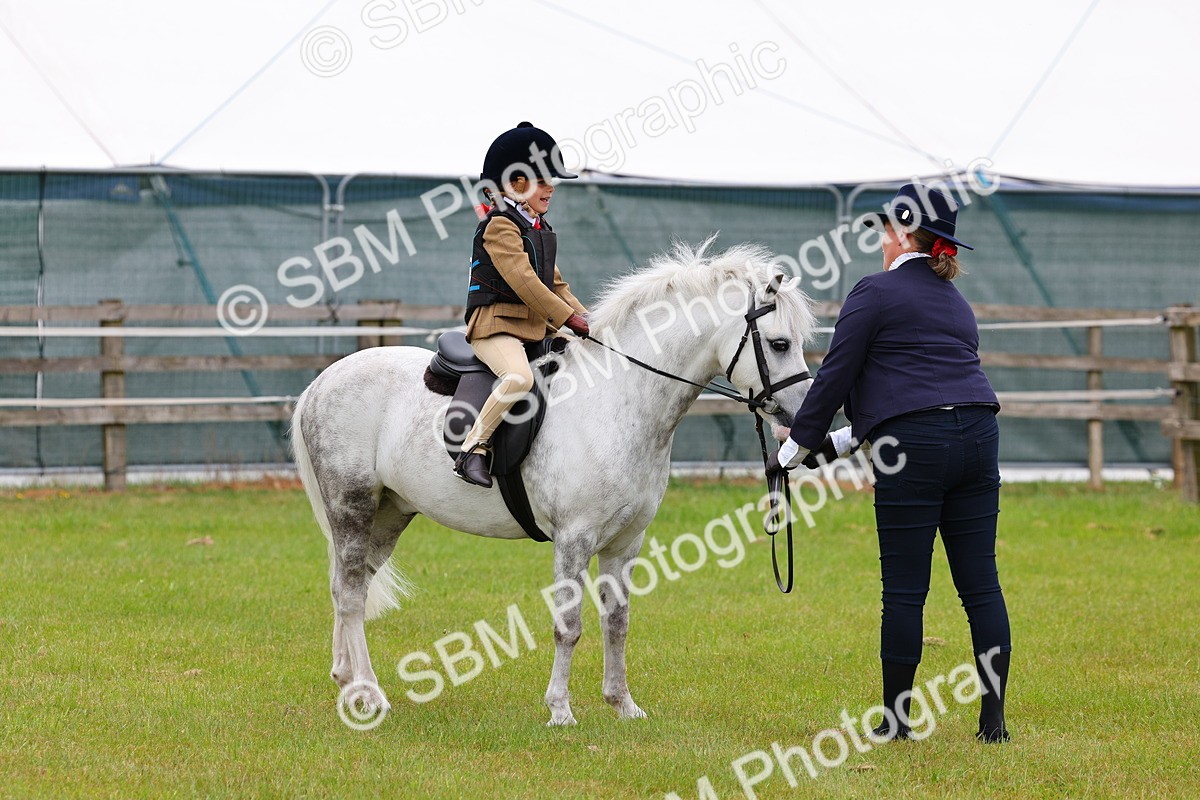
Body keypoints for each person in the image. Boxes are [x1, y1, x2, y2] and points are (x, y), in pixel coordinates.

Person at [768, 183, 1012, 743]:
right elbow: (909, 398)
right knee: (982, 587)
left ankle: (897, 723)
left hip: (916, 451)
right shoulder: (956, 302)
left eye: (883, 229)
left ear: (901, 231)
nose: (879, 240)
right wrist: (826, 447)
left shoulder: (873, 292)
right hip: (979, 434)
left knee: (904, 590)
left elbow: (836, 379)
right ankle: (993, 723)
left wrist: (793, 450)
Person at [454, 122, 590, 488]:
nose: (551, 188)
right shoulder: (500, 227)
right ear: (516, 183)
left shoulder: (537, 228)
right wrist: (568, 319)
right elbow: (526, 283)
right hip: (495, 327)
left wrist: (589, 319)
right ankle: (473, 449)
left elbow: (556, 283)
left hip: (532, 328)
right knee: (518, 377)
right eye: (543, 180)